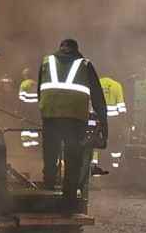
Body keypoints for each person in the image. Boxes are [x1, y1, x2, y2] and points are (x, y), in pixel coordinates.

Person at [36, 38, 108, 211]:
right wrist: (104, 124)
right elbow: (97, 97)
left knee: (50, 154)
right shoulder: (84, 64)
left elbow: (40, 90)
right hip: (75, 118)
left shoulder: (47, 61)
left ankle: (48, 190)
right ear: (77, 50)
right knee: (73, 157)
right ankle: (68, 198)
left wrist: (45, 112)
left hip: (51, 116)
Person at [98, 72, 127, 171]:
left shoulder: (97, 83)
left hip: (98, 119)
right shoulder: (116, 85)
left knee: (95, 140)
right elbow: (121, 107)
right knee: (114, 141)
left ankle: (94, 165)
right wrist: (124, 121)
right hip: (113, 121)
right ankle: (115, 165)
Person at [17, 68, 40, 149]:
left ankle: (26, 145)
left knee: (25, 126)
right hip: (35, 109)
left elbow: (21, 98)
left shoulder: (23, 84)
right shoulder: (36, 84)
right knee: (33, 126)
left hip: (26, 108)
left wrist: (19, 110)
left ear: (25, 75)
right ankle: (35, 144)